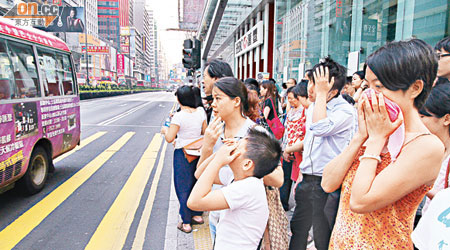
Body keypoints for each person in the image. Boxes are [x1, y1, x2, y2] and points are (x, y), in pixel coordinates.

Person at [321, 39, 444, 249]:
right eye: (367, 86)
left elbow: (361, 202)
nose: (368, 95)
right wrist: (360, 137)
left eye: (379, 86)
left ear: (415, 88)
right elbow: (328, 183)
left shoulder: (426, 146)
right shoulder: (376, 130)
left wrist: (376, 140)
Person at [195, 77, 283, 243]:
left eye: (218, 98)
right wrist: (207, 147)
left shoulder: (255, 134)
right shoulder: (215, 130)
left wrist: (248, 168)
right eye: (212, 99)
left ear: (236, 101)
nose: (213, 104)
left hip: (244, 222)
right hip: (217, 213)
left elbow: (278, 179)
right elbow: (201, 173)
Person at [288, 57, 356, 250]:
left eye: (316, 85)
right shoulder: (315, 107)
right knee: (298, 228)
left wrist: (320, 95)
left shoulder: (345, 111)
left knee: (322, 235)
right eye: (311, 82)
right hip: (308, 179)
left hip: (326, 184)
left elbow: (319, 128)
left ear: (332, 91)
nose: (309, 88)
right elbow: (311, 143)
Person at [188, 127, 282, 249]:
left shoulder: (249, 187)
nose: (232, 147)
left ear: (247, 164)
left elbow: (194, 202)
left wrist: (219, 161)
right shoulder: (239, 177)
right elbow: (200, 174)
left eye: (237, 147)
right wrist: (219, 153)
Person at [160, 86, 206, 234]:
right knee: (196, 183)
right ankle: (197, 215)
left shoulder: (179, 116)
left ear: (179, 99)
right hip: (198, 153)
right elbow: (204, 132)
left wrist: (165, 129)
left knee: (183, 187)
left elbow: (169, 138)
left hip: (183, 154)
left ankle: (186, 222)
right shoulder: (201, 112)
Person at [419, 83, 450, 213]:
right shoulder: (437, 149)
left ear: (446, 119)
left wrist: (420, 185)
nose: (418, 121)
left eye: (423, 116)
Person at [279, 82, 308, 211]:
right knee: (286, 177)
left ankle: (299, 206)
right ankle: (283, 202)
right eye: (288, 98)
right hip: (289, 149)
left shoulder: (306, 112)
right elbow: (286, 132)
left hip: (299, 151)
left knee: (298, 179)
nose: (289, 101)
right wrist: (285, 149)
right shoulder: (290, 112)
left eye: (292, 98)